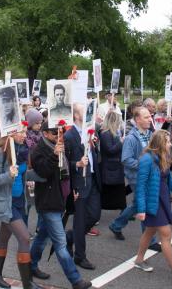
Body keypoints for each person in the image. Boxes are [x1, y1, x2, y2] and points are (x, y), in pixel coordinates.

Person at [28, 121, 92, 289]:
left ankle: (30, 266)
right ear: (46, 133)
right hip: (48, 201)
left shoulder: (59, 145)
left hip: (60, 198)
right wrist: (55, 155)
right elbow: (43, 171)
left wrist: (76, 164)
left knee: (42, 237)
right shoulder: (39, 150)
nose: (60, 135)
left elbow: (62, 169)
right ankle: (75, 280)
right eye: (56, 133)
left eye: (61, 132)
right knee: (61, 244)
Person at [133, 129, 172, 281]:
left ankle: (139, 260)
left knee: (149, 231)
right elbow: (140, 186)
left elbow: (169, 180)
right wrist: (141, 209)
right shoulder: (146, 159)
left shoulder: (163, 156)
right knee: (166, 234)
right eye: (168, 141)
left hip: (162, 199)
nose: (170, 144)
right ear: (160, 143)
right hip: (153, 202)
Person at [0, 131, 43, 289]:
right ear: (10, 132)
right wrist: (8, 175)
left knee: (3, 238)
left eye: (25, 131)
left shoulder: (22, 150)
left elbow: (23, 174)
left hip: (19, 201)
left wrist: (44, 174)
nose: (25, 135)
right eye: (21, 132)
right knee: (24, 238)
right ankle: (27, 283)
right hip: (6, 203)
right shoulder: (0, 151)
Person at [108, 107, 158, 249]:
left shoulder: (150, 134)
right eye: (146, 117)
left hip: (149, 176)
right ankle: (150, 240)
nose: (150, 119)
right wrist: (144, 165)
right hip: (137, 178)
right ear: (137, 120)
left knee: (137, 204)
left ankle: (116, 225)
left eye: (150, 116)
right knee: (145, 206)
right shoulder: (131, 138)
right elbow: (126, 159)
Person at [64, 104, 101, 271]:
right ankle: (80, 256)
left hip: (92, 178)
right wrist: (77, 163)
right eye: (85, 111)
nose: (89, 114)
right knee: (79, 220)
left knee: (94, 215)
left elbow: (95, 156)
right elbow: (64, 164)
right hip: (79, 181)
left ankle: (71, 237)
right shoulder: (69, 136)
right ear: (76, 115)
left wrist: (95, 146)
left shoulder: (89, 131)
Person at [99, 111, 126, 212]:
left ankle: (124, 210)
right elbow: (110, 150)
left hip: (116, 165)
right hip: (110, 166)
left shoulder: (116, 132)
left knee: (119, 190)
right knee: (112, 190)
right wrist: (121, 142)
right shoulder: (105, 134)